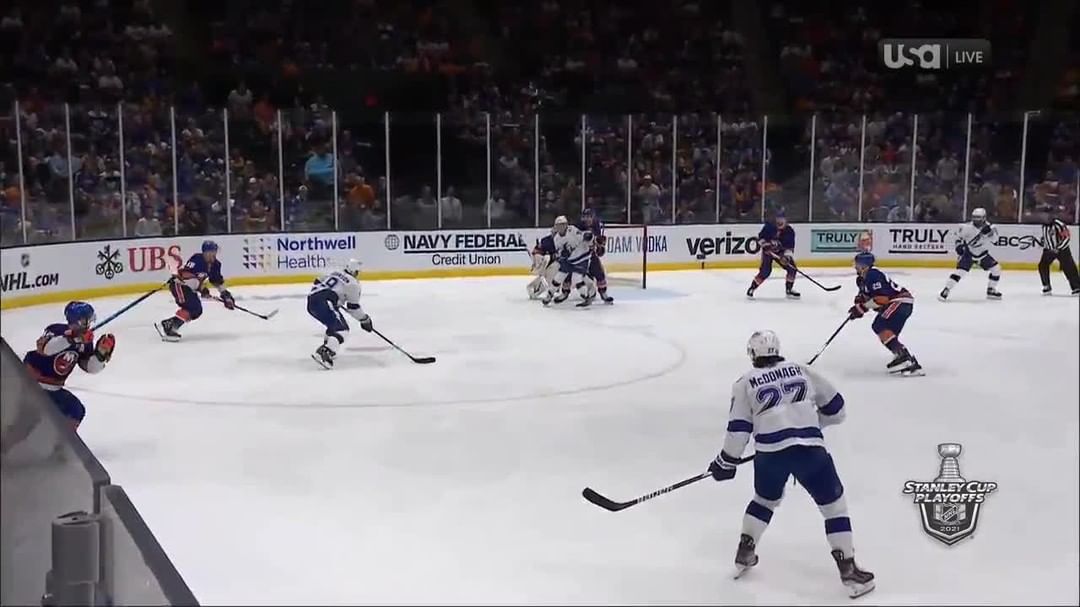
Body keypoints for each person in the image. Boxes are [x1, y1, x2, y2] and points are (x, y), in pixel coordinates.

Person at [708, 330, 874, 598]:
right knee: (834, 507)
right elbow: (837, 409)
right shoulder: (802, 370)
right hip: (810, 452)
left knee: (764, 501)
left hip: (769, 456)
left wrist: (725, 462)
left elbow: (739, 430)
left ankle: (745, 552)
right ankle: (849, 570)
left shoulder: (744, 383)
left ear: (752, 354)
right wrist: (810, 424)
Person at [23, 301, 115, 430]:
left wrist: (100, 355)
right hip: (28, 383)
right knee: (26, 421)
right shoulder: (56, 329)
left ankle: (58, 440)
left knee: (75, 410)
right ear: (80, 321)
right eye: (88, 320)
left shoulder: (85, 342)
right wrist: (75, 339)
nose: (90, 323)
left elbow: (89, 367)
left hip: (53, 389)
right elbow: (46, 349)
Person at [849, 252, 922, 375]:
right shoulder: (862, 279)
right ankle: (906, 360)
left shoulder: (873, 274)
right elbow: (865, 297)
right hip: (901, 304)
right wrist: (858, 306)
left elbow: (882, 299)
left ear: (864, 265)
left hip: (900, 301)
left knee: (880, 325)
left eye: (857, 264)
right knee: (886, 331)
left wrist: (862, 307)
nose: (855, 266)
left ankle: (904, 357)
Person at [155, 240, 235, 341]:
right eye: (210, 252)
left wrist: (226, 296)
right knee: (193, 307)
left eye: (214, 252)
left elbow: (217, 281)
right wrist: (202, 289)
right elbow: (185, 275)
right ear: (205, 252)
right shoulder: (197, 259)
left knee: (197, 310)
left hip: (189, 289)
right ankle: (170, 325)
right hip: (179, 286)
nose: (212, 255)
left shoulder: (216, 265)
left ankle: (171, 324)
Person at [308, 259, 373, 369]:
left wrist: (335, 297)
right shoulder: (353, 284)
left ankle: (329, 345)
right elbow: (353, 307)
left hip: (311, 300)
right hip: (325, 302)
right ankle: (325, 351)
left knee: (333, 324)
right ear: (355, 272)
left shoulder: (334, 272)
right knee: (342, 329)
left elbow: (317, 281)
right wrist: (364, 319)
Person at [939, 207, 1003, 301]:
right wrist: (959, 246)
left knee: (996, 269)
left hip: (982, 254)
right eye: (974, 217)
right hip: (968, 253)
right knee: (960, 272)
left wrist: (989, 233)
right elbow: (957, 237)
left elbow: (995, 241)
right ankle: (946, 290)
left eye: (978, 217)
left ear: (984, 218)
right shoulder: (966, 227)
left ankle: (991, 290)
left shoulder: (991, 228)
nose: (976, 219)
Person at [542, 216, 595, 307]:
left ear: (566, 225)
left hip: (582, 258)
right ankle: (549, 295)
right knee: (558, 278)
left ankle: (587, 296)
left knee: (576, 279)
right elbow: (560, 253)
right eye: (559, 225)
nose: (561, 227)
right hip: (569, 260)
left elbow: (585, 237)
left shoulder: (572, 230)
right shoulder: (556, 239)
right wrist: (563, 254)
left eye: (563, 225)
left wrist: (589, 238)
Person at [747, 211, 799, 299]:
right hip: (768, 252)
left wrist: (786, 257)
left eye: (782, 219)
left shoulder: (789, 232)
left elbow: (789, 248)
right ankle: (752, 288)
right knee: (765, 271)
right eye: (778, 219)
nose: (780, 221)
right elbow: (760, 238)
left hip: (780, 253)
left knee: (792, 269)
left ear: (786, 220)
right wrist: (765, 246)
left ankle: (789, 290)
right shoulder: (769, 227)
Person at [1038, 210, 1080, 295]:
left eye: (1048, 215)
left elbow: (1066, 237)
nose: (1046, 217)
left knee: (1069, 267)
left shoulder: (1059, 225)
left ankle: (1076, 287)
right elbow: (1047, 237)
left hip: (1062, 250)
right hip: (1049, 250)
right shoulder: (1044, 225)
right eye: (1044, 215)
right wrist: (1045, 244)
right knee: (1042, 265)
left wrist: (1058, 248)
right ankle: (1046, 286)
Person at [576, 208, 614, 304]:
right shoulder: (578, 227)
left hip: (591, 254)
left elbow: (599, 250)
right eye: (585, 217)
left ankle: (603, 293)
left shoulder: (596, 225)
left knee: (599, 273)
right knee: (584, 276)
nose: (587, 219)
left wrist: (600, 245)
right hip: (579, 256)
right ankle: (586, 292)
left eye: (589, 217)